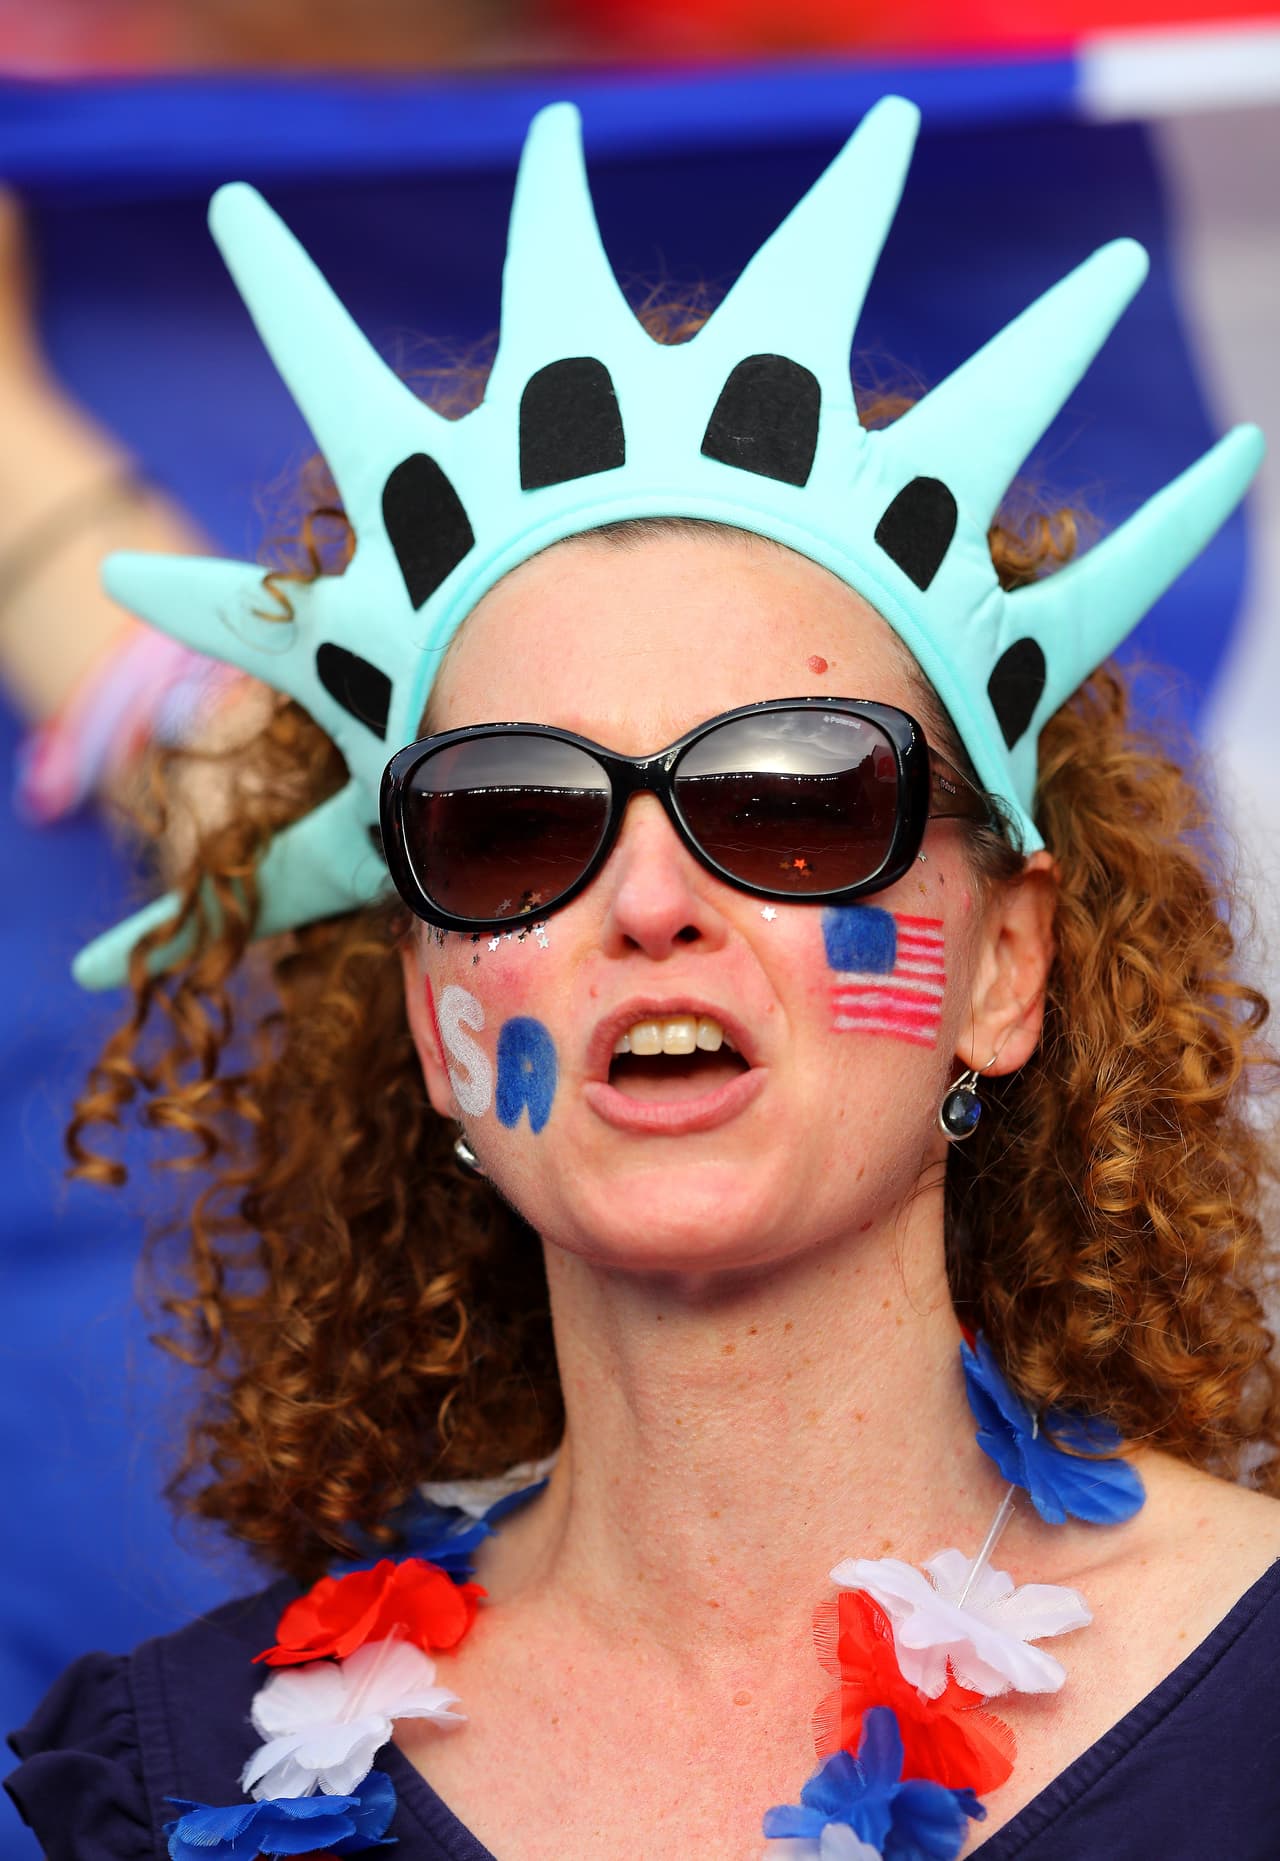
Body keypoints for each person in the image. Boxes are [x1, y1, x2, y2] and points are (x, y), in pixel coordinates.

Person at [6, 95, 1280, 1861]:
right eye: (513, 821)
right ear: (429, 1008)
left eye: (796, 797)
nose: (650, 897)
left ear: (1008, 963)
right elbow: (218, 758)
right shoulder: (160, 1789)